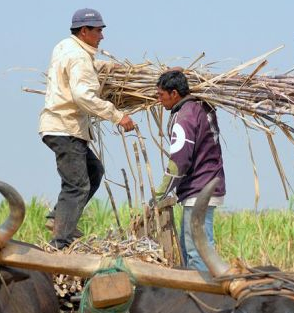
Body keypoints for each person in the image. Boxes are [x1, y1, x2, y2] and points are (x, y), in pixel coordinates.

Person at [39, 8, 135, 250]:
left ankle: (58, 217)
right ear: (84, 31)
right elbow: (84, 96)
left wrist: (107, 68)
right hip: (65, 128)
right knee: (78, 186)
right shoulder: (79, 57)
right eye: (98, 31)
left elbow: (81, 65)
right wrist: (117, 116)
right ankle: (60, 243)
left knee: (94, 172)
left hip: (60, 126)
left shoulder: (65, 47)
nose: (101, 36)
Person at [153, 71, 226, 270]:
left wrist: (160, 193)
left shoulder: (185, 116)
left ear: (174, 93)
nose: (159, 100)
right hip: (206, 186)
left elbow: (179, 161)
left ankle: (201, 297)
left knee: (196, 253)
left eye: (161, 95)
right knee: (191, 249)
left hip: (199, 190)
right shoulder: (201, 107)